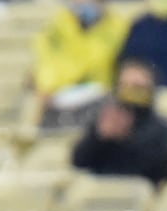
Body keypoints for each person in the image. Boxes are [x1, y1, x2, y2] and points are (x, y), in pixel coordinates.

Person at [71, 57, 167, 184]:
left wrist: (125, 139)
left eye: (138, 87)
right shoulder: (104, 123)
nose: (131, 93)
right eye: (125, 86)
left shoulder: (163, 129)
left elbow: (160, 165)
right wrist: (99, 138)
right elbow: (79, 161)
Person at [31, 0, 131, 130]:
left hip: (102, 95)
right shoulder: (56, 25)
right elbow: (46, 60)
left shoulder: (119, 26)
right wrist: (46, 87)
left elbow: (126, 64)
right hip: (59, 96)